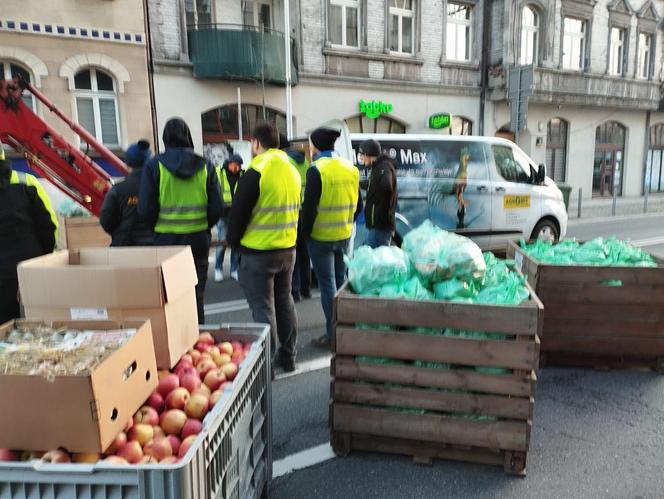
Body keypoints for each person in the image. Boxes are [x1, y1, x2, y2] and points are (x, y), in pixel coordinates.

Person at [227, 123, 301, 372]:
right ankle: (288, 357)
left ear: (256, 143)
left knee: (263, 309)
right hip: (287, 249)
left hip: (258, 253)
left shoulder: (255, 171)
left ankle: (266, 365)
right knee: (284, 301)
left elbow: (237, 216)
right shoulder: (292, 170)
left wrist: (233, 243)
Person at [139, 118, 223, 324]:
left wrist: (157, 230)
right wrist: (204, 226)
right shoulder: (206, 166)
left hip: (166, 243)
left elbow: (146, 209)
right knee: (196, 296)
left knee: (170, 299)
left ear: (165, 139)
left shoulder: (154, 166)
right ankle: (198, 344)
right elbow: (217, 207)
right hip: (198, 241)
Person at [302, 128, 362, 348]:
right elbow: (359, 206)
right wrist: (346, 221)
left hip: (320, 238)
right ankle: (346, 328)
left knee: (327, 285)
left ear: (315, 147)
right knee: (341, 282)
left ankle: (332, 333)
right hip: (343, 235)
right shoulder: (351, 168)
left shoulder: (316, 170)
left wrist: (305, 233)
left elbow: (308, 209)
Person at [0, 147, 57, 323]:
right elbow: (49, 226)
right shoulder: (27, 182)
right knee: (36, 327)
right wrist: (44, 258)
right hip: (30, 269)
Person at [100, 140, 155, 246]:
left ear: (127, 163)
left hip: (125, 248)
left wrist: (119, 233)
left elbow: (106, 221)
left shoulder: (117, 190)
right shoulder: (160, 186)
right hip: (158, 247)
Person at [281, 135, 312, 302]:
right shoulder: (305, 162)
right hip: (305, 211)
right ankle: (306, 289)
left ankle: (295, 291)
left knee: (294, 254)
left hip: (293, 212)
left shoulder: (286, 163)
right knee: (304, 252)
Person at [358, 139, 397, 248]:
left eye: (362, 155)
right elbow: (374, 184)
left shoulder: (384, 167)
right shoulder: (378, 167)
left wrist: (375, 204)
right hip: (378, 225)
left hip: (381, 226)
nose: (361, 159)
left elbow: (386, 187)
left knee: (378, 261)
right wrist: (359, 183)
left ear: (368, 154)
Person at [214, 154, 243, 282]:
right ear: (230, 163)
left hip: (237, 214)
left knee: (236, 244)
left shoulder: (243, 174)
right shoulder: (218, 173)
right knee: (222, 243)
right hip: (223, 214)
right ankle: (218, 269)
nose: (237, 168)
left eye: (239, 166)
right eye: (236, 165)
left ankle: (234, 269)